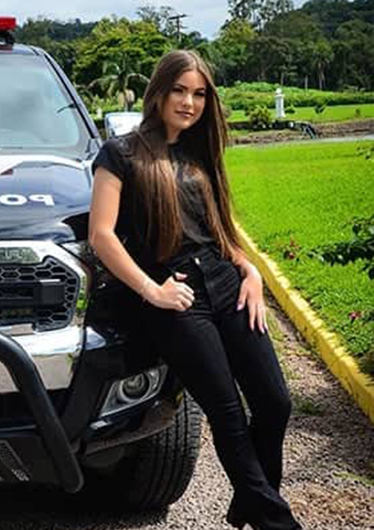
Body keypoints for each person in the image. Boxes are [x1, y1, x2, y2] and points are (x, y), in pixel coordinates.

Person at [88, 50, 303, 530]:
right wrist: (152, 291)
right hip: (176, 294)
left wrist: (251, 271)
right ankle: (275, 521)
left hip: (227, 283)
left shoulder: (200, 149)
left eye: (199, 94)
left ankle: (253, 501)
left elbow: (221, 228)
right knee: (227, 412)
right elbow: (101, 235)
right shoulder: (120, 154)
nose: (189, 102)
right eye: (180, 91)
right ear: (159, 93)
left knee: (275, 402)